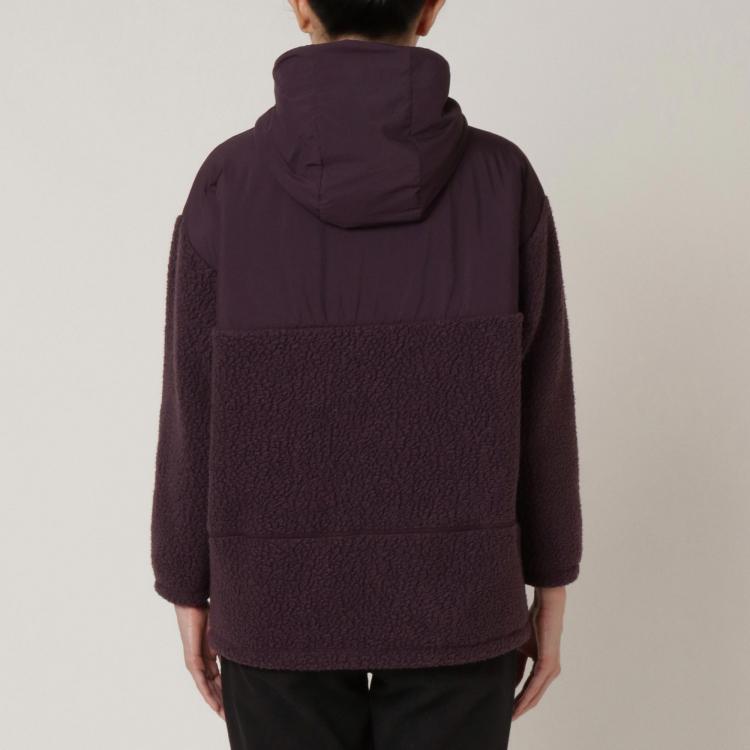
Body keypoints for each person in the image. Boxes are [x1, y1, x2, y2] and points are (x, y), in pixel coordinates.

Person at [150, 1, 583, 747]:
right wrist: (552, 578)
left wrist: (186, 580)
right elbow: (541, 402)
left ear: (300, 6)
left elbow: (193, 403)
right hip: (460, 596)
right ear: (432, 8)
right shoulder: (503, 181)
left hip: (274, 600)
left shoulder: (228, 183)